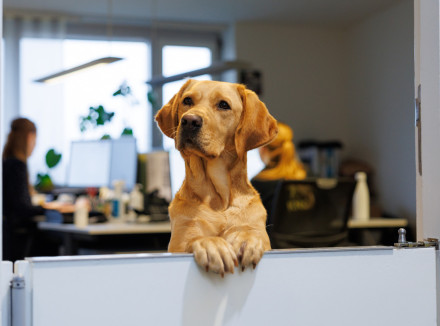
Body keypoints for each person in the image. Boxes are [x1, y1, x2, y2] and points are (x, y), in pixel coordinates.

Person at [2, 118, 64, 261]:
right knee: (55, 242)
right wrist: (47, 208)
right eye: (35, 140)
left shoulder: (6, 162)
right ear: (30, 137)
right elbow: (22, 209)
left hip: (9, 235)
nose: (35, 145)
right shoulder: (17, 165)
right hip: (17, 239)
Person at [251, 122, 306, 225]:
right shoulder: (307, 177)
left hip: (273, 241)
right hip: (312, 240)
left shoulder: (258, 184)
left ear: (263, 148)